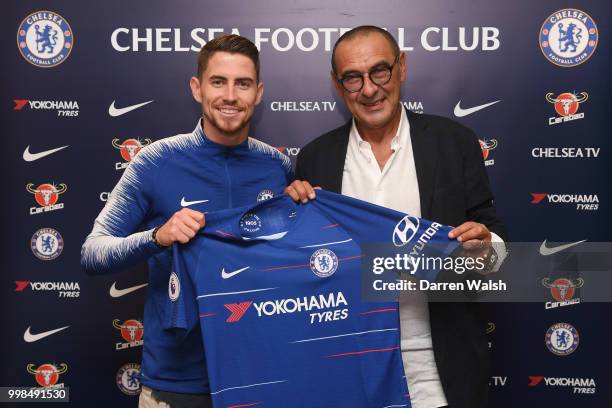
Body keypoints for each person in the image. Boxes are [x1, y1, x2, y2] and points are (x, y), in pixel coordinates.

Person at [285, 26, 507, 408]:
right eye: (353, 78)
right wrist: (291, 220)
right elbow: (304, 269)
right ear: (338, 86)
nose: (369, 89)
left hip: (439, 370)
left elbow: (496, 242)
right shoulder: (315, 159)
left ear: (401, 67)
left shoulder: (454, 142)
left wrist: (486, 248)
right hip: (348, 370)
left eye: (380, 71)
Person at [81, 35, 292, 408]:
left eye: (242, 84)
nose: (230, 96)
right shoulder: (155, 160)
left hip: (260, 375)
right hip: (176, 384)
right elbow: (93, 253)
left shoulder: (278, 167)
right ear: (197, 88)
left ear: (258, 94)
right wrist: (158, 237)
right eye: (218, 82)